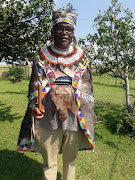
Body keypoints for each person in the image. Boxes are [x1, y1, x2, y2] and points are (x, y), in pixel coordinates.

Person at [17, 9, 95, 180]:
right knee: (49, 163)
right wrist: (34, 107)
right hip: (46, 118)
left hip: (75, 118)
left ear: (73, 33)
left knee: (71, 161)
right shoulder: (42, 56)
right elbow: (35, 87)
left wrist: (86, 111)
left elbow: (88, 89)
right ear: (53, 31)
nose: (64, 32)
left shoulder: (82, 57)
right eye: (60, 28)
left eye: (68, 29)